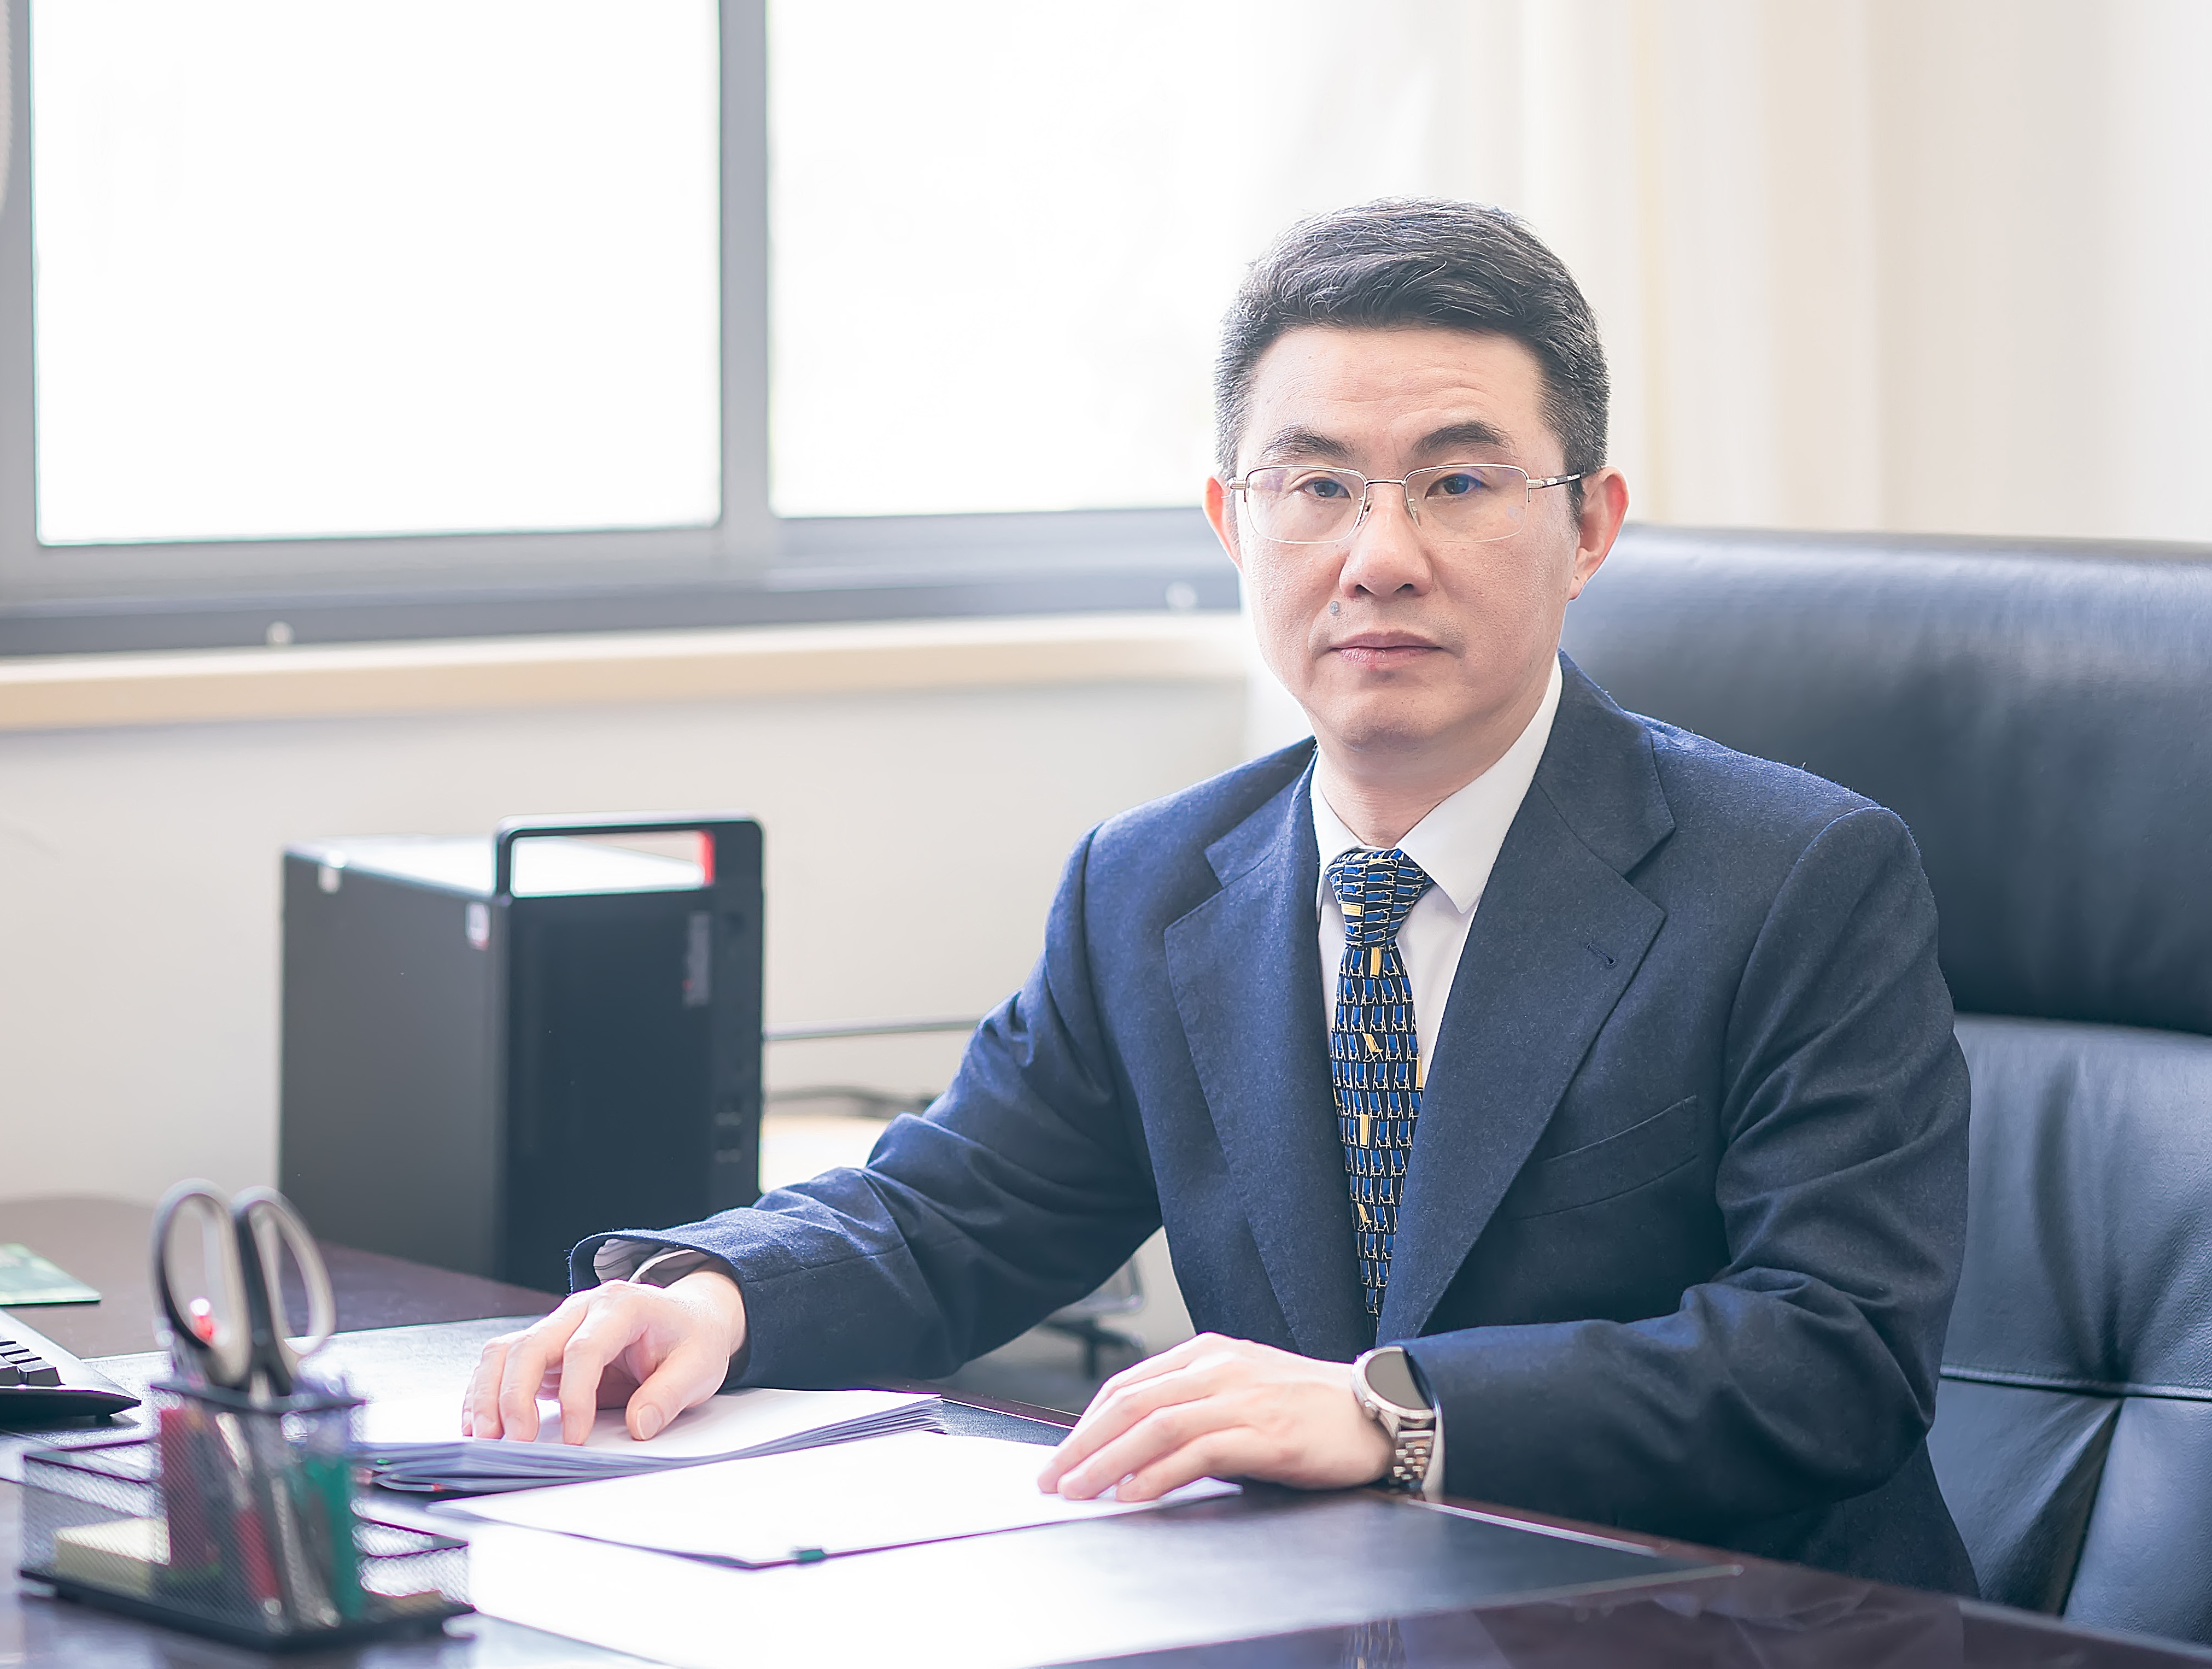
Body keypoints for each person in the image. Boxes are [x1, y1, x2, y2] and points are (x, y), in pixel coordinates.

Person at [461, 198, 1975, 1591]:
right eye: (1315, 486)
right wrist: (714, 1297)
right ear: (1229, 523)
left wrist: (1390, 1412)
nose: (1378, 557)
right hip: (1320, 1609)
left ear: (1588, 527)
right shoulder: (1151, 883)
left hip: (1725, 1622)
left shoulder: (1799, 878)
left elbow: (1832, 1356)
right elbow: (955, 1211)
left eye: (1457, 483)